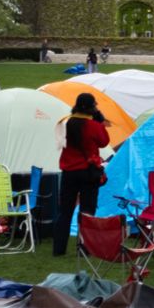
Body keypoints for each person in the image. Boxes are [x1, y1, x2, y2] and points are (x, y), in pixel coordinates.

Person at [53, 93, 110, 256]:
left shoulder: (65, 122)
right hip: (88, 172)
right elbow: (104, 141)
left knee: (65, 211)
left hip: (69, 172)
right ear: (92, 107)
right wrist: (100, 122)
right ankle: (84, 248)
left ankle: (59, 249)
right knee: (87, 211)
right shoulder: (93, 126)